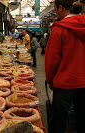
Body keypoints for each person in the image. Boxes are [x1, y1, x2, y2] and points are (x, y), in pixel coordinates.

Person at [45, 0, 85, 133]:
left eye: (55, 9)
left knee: (59, 122)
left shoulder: (59, 29)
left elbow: (52, 60)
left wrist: (50, 80)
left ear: (60, 8)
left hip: (64, 84)